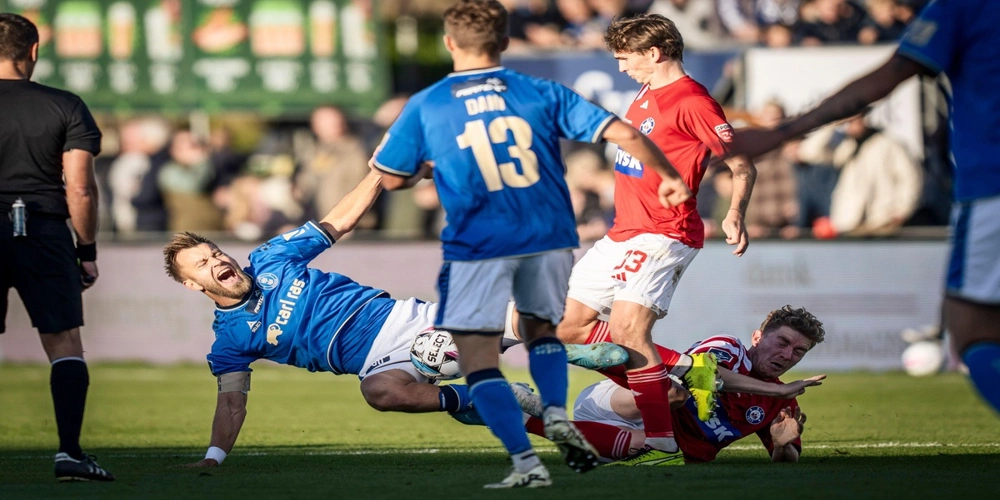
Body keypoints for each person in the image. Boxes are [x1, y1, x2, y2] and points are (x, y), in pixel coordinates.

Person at [370, 0, 692, 488]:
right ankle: (643, 378)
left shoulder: (429, 103)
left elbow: (393, 179)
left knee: (486, 346)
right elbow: (622, 133)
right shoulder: (541, 91)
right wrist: (669, 175)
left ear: (450, 43)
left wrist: (430, 167)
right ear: (504, 43)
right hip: (547, 236)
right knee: (552, 327)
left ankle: (537, 415)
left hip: (479, 241)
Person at [163, 171, 622, 467]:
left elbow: (338, 221)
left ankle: (601, 353)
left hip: (408, 321)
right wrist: (214, 457)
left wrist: (376, 174)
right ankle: (493, 395)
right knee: (379, 394)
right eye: (202, 264)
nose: (217, 261)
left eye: (215, 252)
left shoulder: (271, 258)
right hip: (378, 364)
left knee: (525, 324)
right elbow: (232, 404)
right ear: (193, 285)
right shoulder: (229, 341)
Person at [728, 0, 1000, 415]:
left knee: (974, 332)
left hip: (991, 185)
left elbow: (891, 74)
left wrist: (782, 132)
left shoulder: (965, 6)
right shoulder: (847, 147)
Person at [553, 13, 758, 466]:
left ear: (654, 52)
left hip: (664, 233)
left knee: (628, 330)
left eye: (626, 58)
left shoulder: (693, 101)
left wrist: (734, 214)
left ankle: (661, 439)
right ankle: (685, 371)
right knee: (567, 328)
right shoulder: (646, 92)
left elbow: (742, 164)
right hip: (621, 232)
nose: (621, 68)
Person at [0, 14, 113, 482]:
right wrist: (86, 251)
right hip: (42, 231)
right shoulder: (64, 105)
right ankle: (69, 455)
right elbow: (80, 189)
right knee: (64, 343)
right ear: (33, 51)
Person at [523, 306, 826, 464]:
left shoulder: (782, 404)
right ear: (757, 338)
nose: (787, 355)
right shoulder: (731, 348)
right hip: (624, 403)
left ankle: (525, 414)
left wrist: (783, 445)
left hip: (652, 442)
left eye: (798, 351)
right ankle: (597, 356)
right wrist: (778, 389)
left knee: (658, 451)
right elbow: (709, 376)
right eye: (782, 342)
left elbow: (787, 460)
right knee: (675, 392)